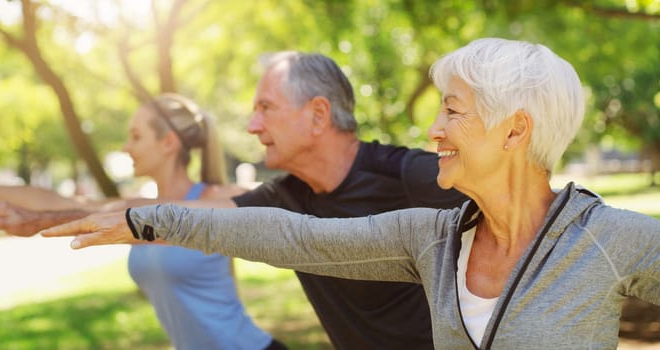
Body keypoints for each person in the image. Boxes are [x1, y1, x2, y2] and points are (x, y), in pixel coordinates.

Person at [41, 38, 660, 349]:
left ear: (515, 130)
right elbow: (296, 237)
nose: (433, 130)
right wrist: (152, 221)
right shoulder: (432, 238)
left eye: (452, 111)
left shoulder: (608, 241)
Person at [0, 52, 469, 349]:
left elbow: (528, 216)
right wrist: (37, 219)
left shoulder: (409, 175)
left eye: (265, 108)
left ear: (318, 115)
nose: (250, 126)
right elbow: (182, 218)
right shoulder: (283, 197)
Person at [0, 94, 285, 350]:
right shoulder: (138, 206)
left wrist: (37, 221)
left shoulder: (220, 198)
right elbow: (69, 204)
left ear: (168, 142)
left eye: (136, 136)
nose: (126, 147)